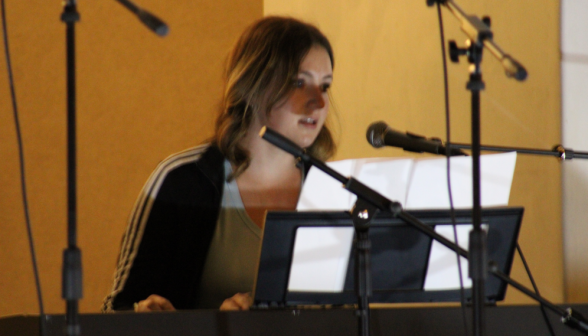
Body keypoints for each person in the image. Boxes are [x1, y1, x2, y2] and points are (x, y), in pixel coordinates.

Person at [101, 16, 336, 312]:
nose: (319, 102)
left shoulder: (334, 189)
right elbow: (114, 312)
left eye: (325, 86)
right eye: (299, 82)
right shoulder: (182, 181)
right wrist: (210, 326)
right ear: (254, 83)